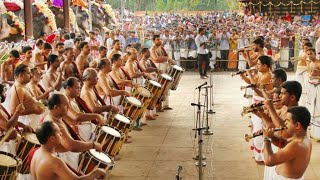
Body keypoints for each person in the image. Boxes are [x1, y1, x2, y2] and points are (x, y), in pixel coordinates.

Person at [30, 121, 107, 180]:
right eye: (58, 132)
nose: (61, 134)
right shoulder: (54, 161)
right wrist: (95, 173)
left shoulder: (36, 152)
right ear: (52, 139)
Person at [263, 106, 311, 180]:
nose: (285, 123)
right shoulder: (300, 138)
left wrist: (267, 139)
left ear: (297, 125)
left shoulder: (298, 145)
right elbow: (284, 143)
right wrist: (272, 136)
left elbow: (269, 161)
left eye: (287, 121)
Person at [8, 64, 46, 130]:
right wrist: (33, 110)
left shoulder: (23, 85)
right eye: (28, 73)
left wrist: (41, 106)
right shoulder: (18, 89)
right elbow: (14, 112)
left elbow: (32, 100)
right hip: (28, 122)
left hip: (34, 120)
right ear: (21, 76)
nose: (31, 75)